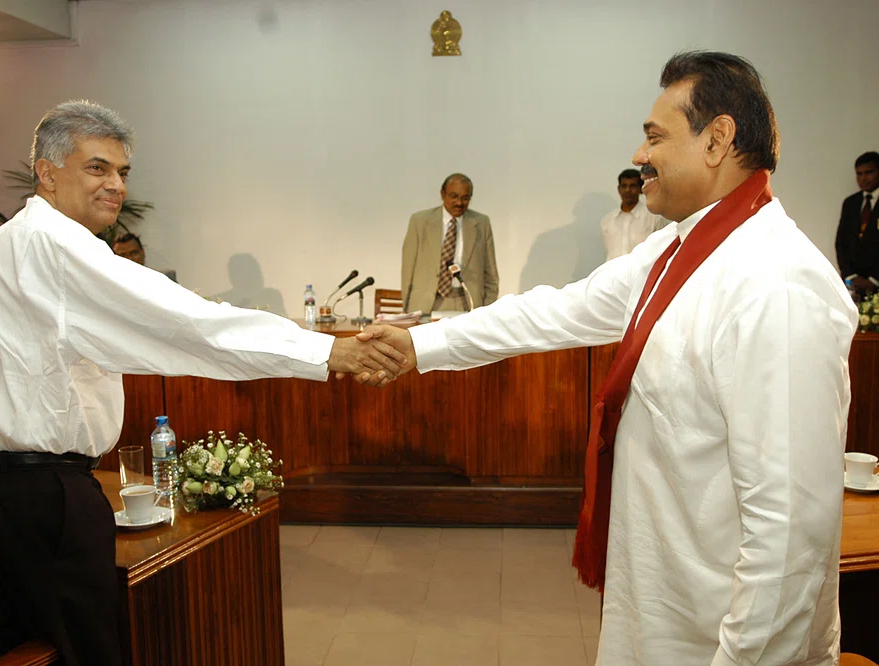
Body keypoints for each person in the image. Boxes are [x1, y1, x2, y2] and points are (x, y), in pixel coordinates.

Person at [353, 52, 856, 666]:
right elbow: (556, 310)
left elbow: (788, 542)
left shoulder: (774, 285)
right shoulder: (679, 250)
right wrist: (421, 344)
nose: (640, 155)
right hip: (658, 614)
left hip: (721, 640)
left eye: (654, 136)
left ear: (717, 140)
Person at [0, 100, 405, 666]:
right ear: (46, 171)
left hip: (4, 486)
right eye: (97, 168)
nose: (115, 185)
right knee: (77, 650)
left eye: (122, 172)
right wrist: (327, 351)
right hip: (41, 496)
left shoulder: (13, 242)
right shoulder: (53, 246)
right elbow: (189, 326)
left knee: (26, 642)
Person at [401, 173, 499, 314]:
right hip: (427, 303)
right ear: (443, 194)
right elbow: (408, 269)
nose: (459, 203)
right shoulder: (420, 222)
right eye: (454, 196)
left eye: (465, 198)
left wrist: (488, 311)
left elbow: (491, 275)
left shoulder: (481, 224)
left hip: (467, 303)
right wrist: (408, 307)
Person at [599, 168, 668, 261]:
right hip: (613, 273)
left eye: (633, 186)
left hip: (644, 274)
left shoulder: (654, 217)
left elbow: (662, 248)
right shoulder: (607, 220)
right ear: (619, 189)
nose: (628, 190)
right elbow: (608, 250)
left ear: (641, 189)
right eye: (624, 186)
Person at [835, 151, 879, 295]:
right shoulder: (851, 203)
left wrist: (874, 280)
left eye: (869, 173)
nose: (863, 179)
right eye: (859, 174)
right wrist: (850, 276)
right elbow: (841, 242)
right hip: (854, 286)